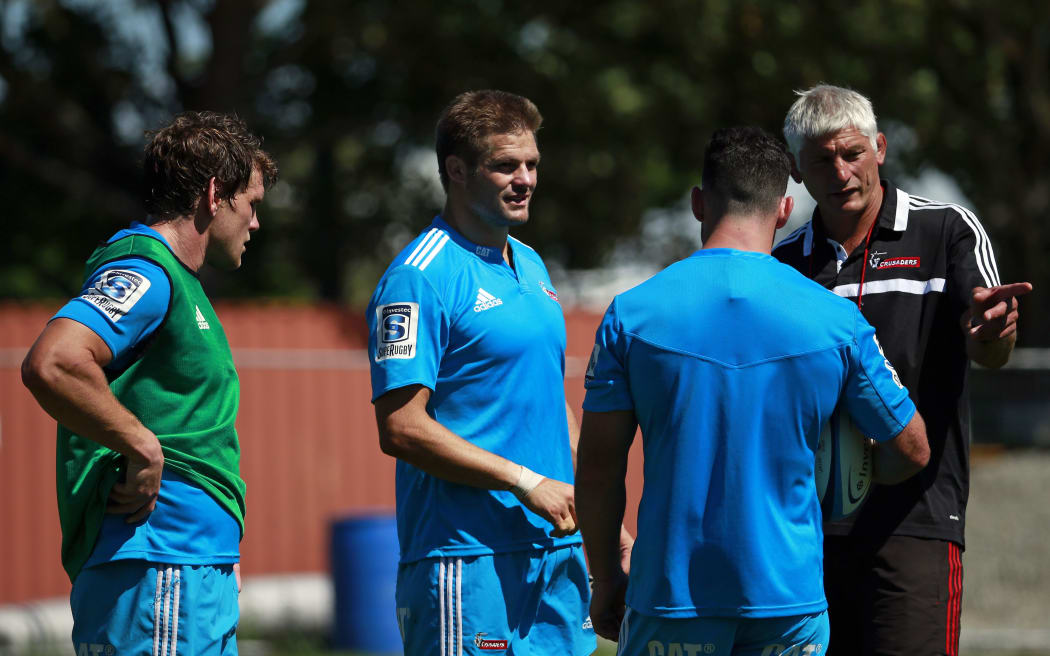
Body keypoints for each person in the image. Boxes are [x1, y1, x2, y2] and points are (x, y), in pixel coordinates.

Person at [575, 126, 930, 655]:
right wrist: (845, 481)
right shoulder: (837, 321)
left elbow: (600, 467)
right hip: (789, 605)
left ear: (699, 203)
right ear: (785, 209)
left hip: (670, 599)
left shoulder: (630, 314)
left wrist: (606, 579)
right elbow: (912, 449)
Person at [772, 84, 1033, 655]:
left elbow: (988, 345)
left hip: (916, 519)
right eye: (822, 159)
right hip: (805, 531)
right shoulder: (782, 262)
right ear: (796, 169)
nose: (841, 171)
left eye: (852, 153)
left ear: (880, 149)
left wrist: (994, 333)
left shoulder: (946, 230)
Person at [367, 89, 622, 656]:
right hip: (465, 558)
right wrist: (525, 482)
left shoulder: (530, 263)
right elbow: (401, 428)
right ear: (456, 170)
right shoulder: (419, 277)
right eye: (505, 165)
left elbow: (550, 406)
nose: (525, 179)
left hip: (557, 553)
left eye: (531, 164)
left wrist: (604, 527)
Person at [22, 111, 277, 656]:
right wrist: (142, 445)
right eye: (251, 204)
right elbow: (56, 361)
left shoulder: (182, 283)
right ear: (215, 194)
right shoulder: (148, 270)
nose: (256, 223)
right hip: (161, 563)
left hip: (188, 565)